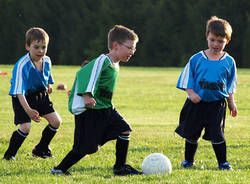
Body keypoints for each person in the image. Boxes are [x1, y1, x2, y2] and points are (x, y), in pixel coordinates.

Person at [51, 25, 142, 175]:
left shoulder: (115, 63)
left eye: (134, 49)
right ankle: (59, 169)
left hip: (106, 109)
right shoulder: (103, 60)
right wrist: (86, 96)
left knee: (124, 130)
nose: (132, 52)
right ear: (115, 45)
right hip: (91, 112)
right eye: (129, 48)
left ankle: (120, 167)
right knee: (84, 148)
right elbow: (83, 74)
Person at [175, 16, 237, 170]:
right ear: (207, 37)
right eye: (213, 40)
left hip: (216, 105)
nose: (216, 44)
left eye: (220, 41)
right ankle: (188, 161)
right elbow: (186, 79)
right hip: (196, 104)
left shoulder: (229, 62)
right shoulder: (196, 59)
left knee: (217, 134)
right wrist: (191, 93)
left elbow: (230, 85)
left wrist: (231, 103)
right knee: (191, 133)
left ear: (227, 41)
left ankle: (223, 163)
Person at [3, 27, 62, 160]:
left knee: (56, 122)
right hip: (22, 98)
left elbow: (47, 76)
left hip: (40, 95)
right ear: (27, 46)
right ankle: (9, 155)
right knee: (25, 127)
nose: (40, 51)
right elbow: (18, 92)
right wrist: (29, 110)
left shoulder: (47, 60)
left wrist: (48, 85)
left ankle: (41, 150)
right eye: (36, 47)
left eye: (44, 47)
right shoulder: (22, 65)